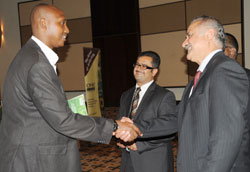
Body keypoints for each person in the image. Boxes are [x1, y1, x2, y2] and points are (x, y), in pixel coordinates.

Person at [0, 3, 141, 172]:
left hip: (31, 154)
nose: (67, 30)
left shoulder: (29, 56)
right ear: (43, 23)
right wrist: (115, 127)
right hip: (34, 160)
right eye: (62, 23)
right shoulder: (37, 64)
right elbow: (63, 120)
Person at [178, 16, 250, 172]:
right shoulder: (199, 78)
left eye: (189, 35)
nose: (184, 43)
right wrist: (137, 128)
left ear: (209, 35)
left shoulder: (224, 70)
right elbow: (181, 118)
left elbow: (225, 138)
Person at [117, 51, 177, 172]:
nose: (138, 68)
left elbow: (168, 130)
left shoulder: (165, 96)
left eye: (144, 66)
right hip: (128, 162)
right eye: (137, 64)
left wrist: (138, 145)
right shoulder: (126, 95)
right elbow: (121, 123)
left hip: (153, 162)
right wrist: (119, 140)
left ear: (154, 71)